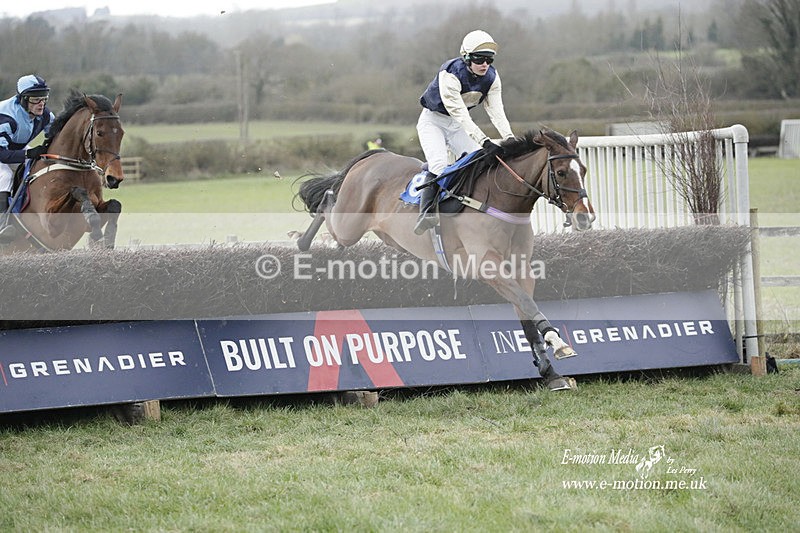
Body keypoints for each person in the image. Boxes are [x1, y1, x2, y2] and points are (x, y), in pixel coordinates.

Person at [414, 30, 515, 234]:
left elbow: (496, 112)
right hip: (433, 121)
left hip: (456, 125)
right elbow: (460, 114)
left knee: (478, 160)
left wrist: (510, 138)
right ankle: (426, 212)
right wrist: (484, 140)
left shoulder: (492, 78)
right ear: (467, 58)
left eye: (489, 59)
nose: (485, 64)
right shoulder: (450, 74)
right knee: (440, 165)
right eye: (479, 59)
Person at [0, 74, 54, 241]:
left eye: (44, 98)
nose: (41, 103)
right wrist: (28, 153)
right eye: (36, 99)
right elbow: (2, 154)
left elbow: (56, 133)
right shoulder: (7, 117)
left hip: (15, 147)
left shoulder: (45, 114)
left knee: (40, 164)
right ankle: (2, 223)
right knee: (5, 175)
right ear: (23, 99)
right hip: (2, 151)